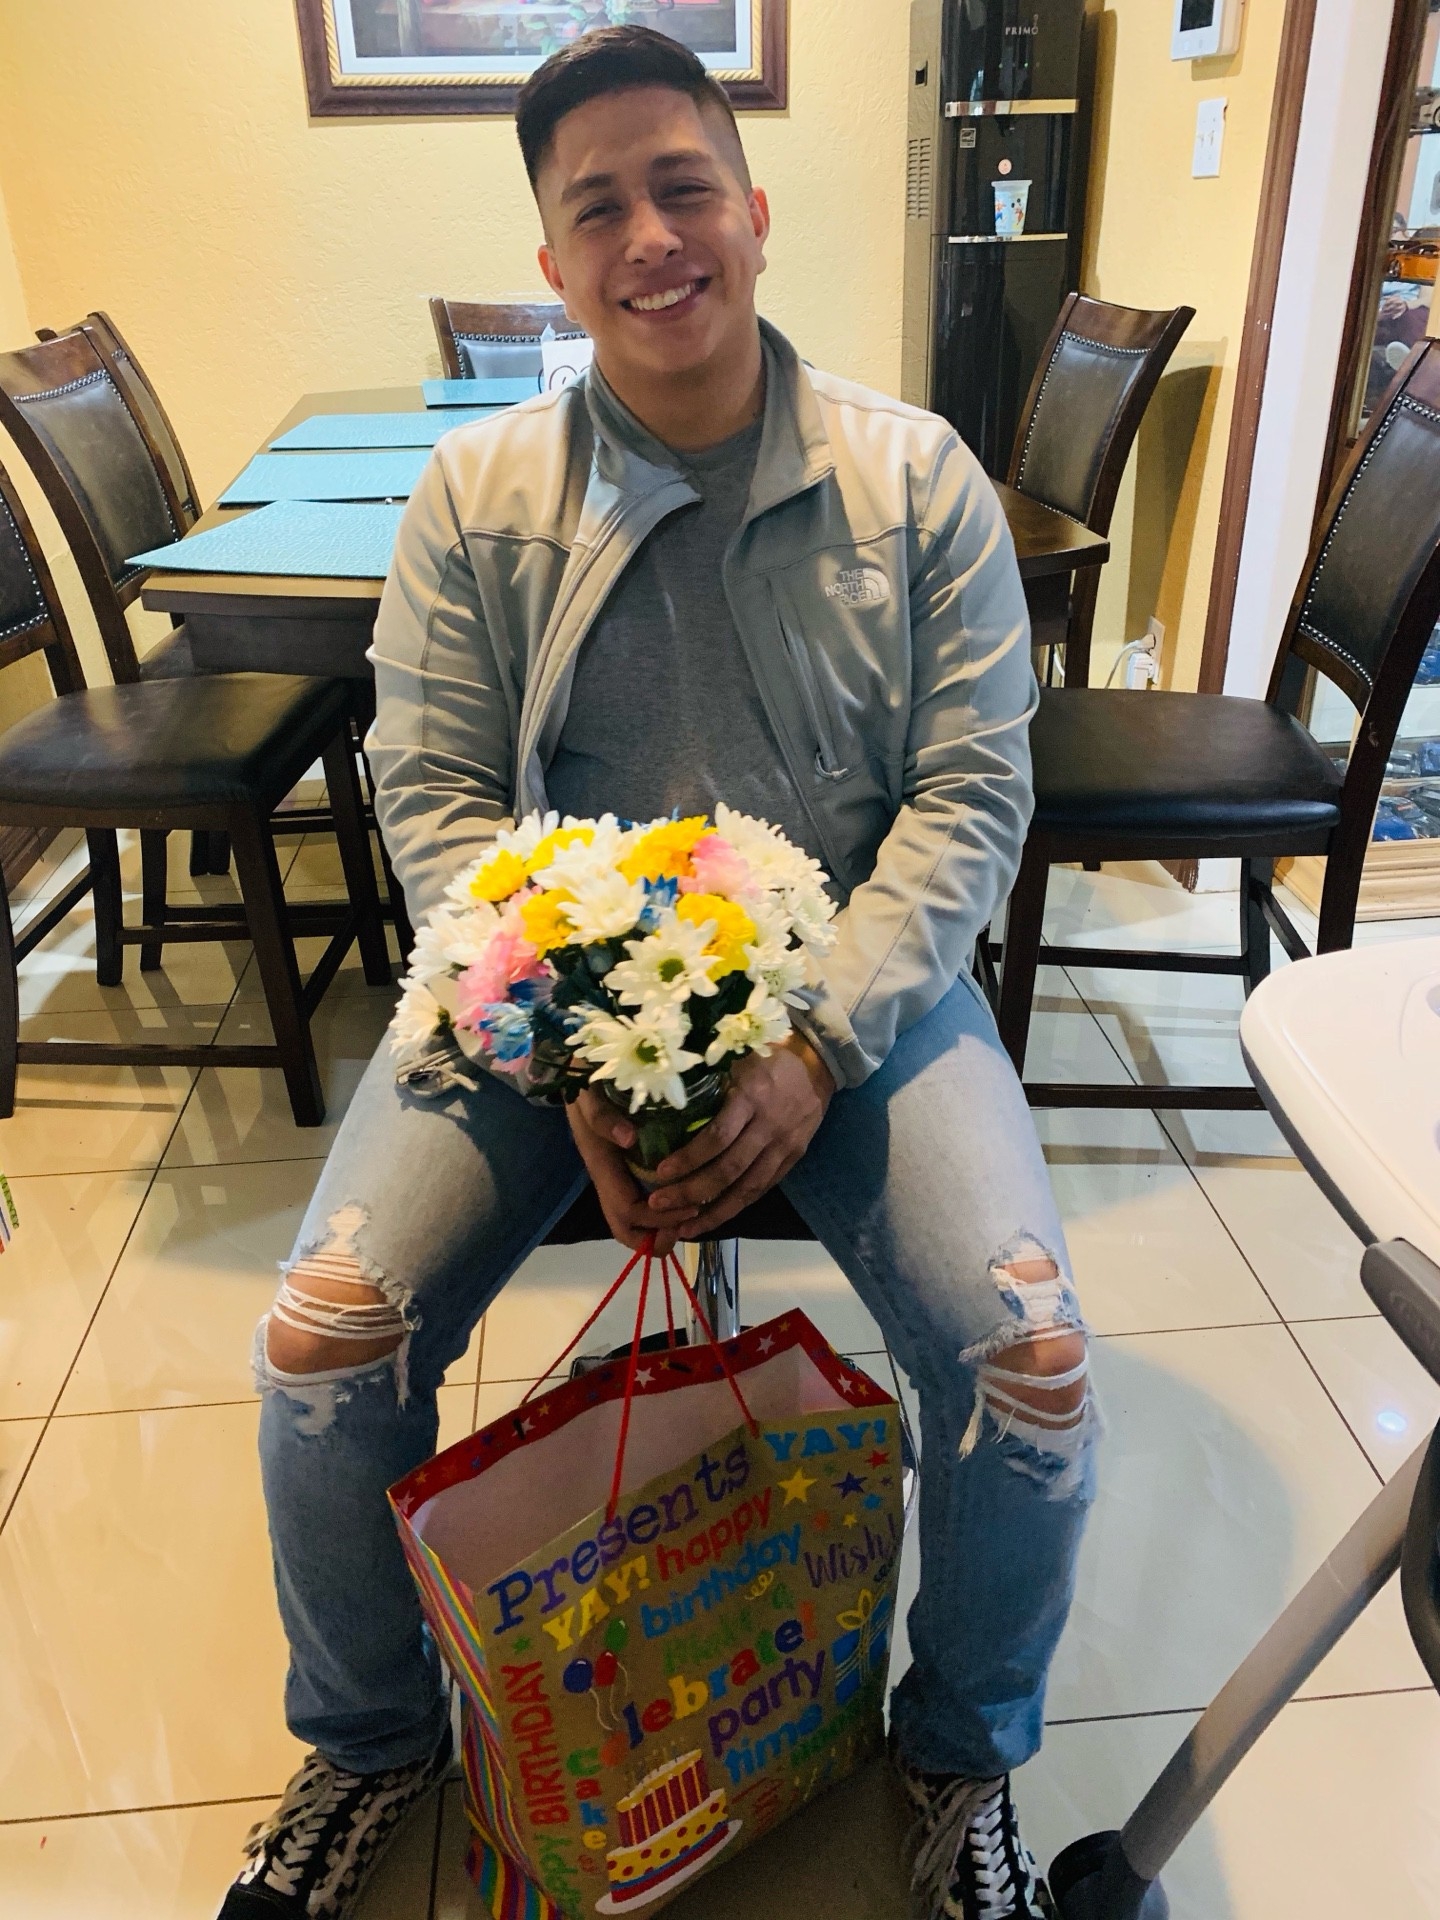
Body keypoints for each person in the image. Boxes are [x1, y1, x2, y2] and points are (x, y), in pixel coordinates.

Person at [219, 26, 1095, 1920]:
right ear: (552, 262)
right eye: (597, 208)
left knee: (1029, 1362)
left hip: (854, 988)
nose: (651, 239)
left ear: (755, 211)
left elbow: (972, 794)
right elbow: (434, 797)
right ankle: (369, 1743)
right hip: (540, 1001)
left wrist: (813, 1042)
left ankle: (962, 1755)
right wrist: (560, 1056)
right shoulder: (471, 496)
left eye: (683, 187)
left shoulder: (917, 480)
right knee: (320, 1342)